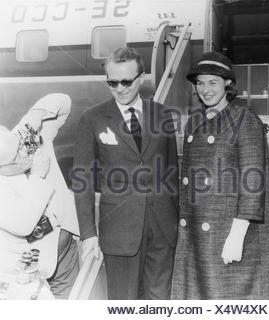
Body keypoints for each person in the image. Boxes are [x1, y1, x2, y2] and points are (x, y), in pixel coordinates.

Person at [73, 47, 179, 300]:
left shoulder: (162, 114)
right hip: (119, 231)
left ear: (142, 78)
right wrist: (88, 234)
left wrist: (178, 222)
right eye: (112, 82)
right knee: (123, 303)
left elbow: (172, 172)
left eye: (126, 81)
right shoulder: (92, 119)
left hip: (162, 229)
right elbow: (83, 181)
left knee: (159, 301)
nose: (119, 88)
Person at [171, 51, 269, 299]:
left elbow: (253, 181)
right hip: (196, 229)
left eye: (212, 83)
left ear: (228, 84)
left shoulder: (245, 120)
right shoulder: (194, 120)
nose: (205, 90)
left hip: (228, 230)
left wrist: (237, 235)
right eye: (200, 83)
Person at [0, 93, 79, 299]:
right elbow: (23, 222)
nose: (25, 153)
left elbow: (63, 101)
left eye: (20, 147)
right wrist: (37, 176)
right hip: (32, 269)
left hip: (66, 250)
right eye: (15, 157)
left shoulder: (26, 139)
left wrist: (36, 114)